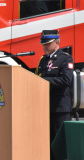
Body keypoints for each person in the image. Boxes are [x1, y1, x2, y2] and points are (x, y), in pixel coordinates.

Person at [35, 30, 73, 159]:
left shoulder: (65, 58)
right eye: (43, 44)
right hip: (45, 108)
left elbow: (66, 80)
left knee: (59, 145)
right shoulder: (43, 60)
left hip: (59, 108)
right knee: (48, 144)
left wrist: (44, 81)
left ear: (57, 42)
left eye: (47, 44)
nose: (44, 46)